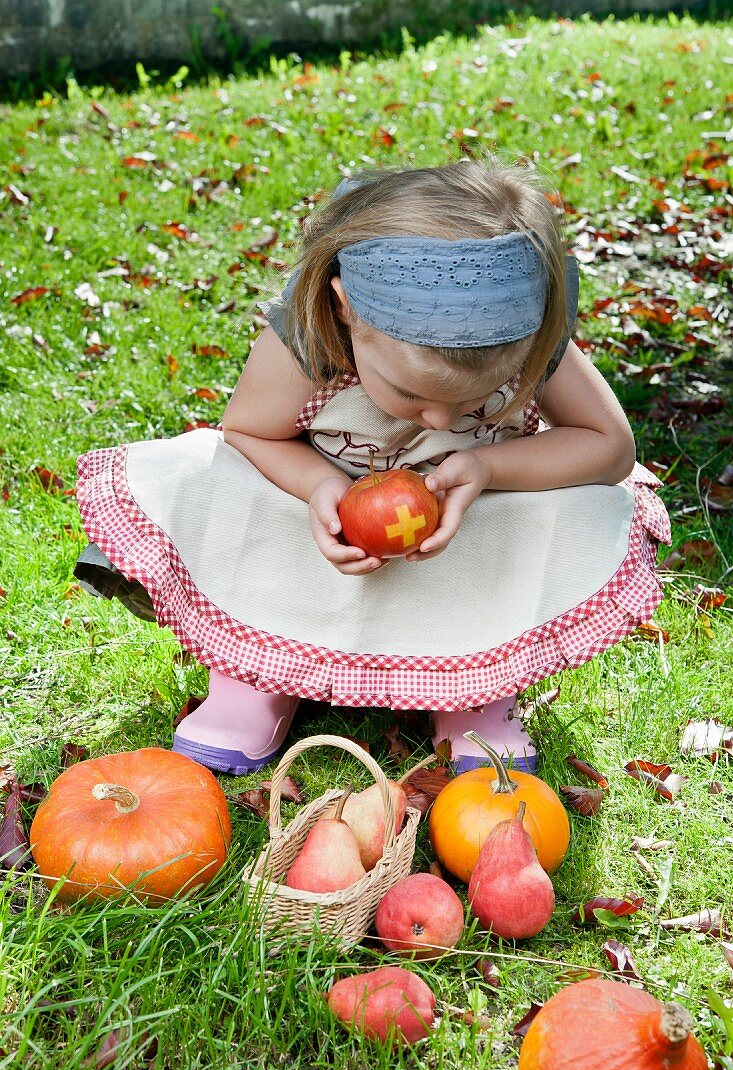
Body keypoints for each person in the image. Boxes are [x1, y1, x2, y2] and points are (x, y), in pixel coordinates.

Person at [74, 154, 671, 777]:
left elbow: (609, 446)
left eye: (469, 402)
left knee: (579, 500)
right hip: (317, 526)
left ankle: (477, 693)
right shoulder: (307, 339)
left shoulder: (523, 331)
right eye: (411, 396)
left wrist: (490, 468)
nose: (439, 422)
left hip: (469, 534)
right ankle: (258, 679)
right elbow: (247, 433)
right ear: (345, 309)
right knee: (220, 482)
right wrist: (320, 485)